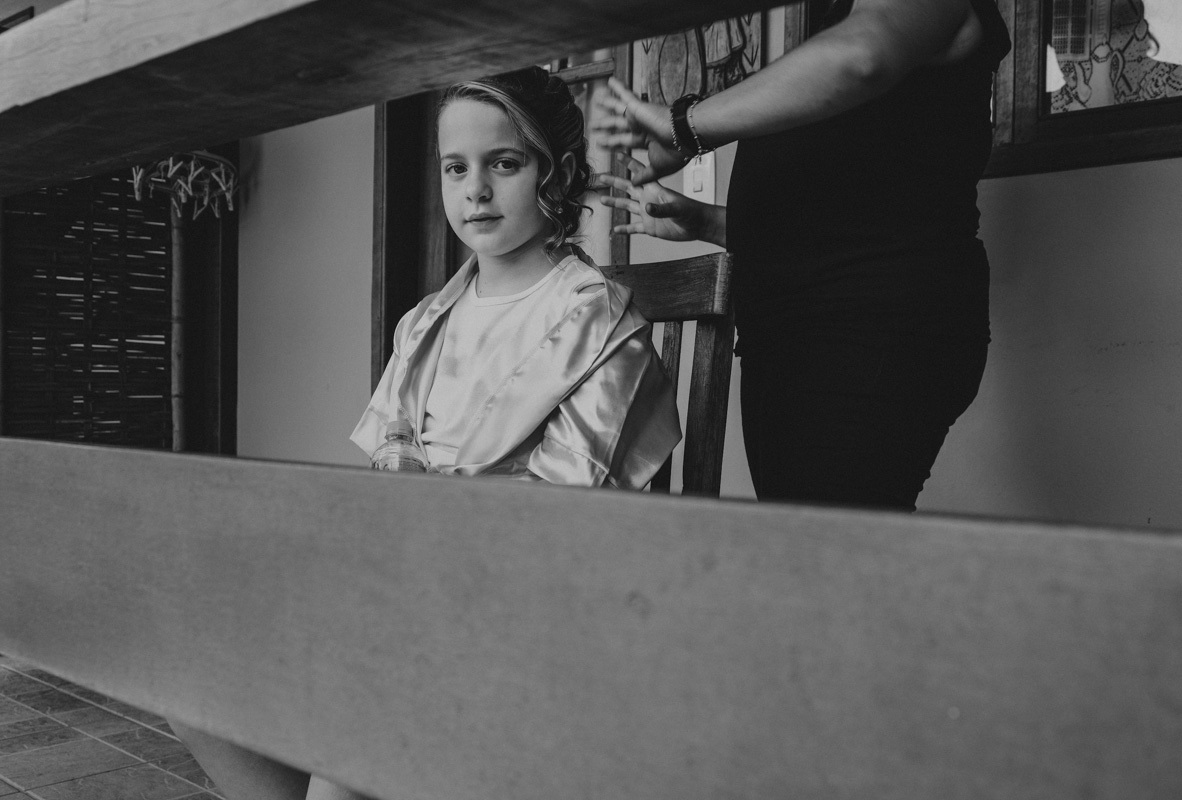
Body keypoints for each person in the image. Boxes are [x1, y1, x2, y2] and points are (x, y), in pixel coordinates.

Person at [171, 66, 680, 800]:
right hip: (405, 583)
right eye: (455, 168)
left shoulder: (600, 325)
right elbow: (388, 478)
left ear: (560, 173)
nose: (476, 190)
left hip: (522, 611)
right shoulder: (422, 324)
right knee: (189, 676)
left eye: (505, 163)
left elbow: (562, 528)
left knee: (353, 736)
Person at [593, 0, 1011, 511]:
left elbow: (860, 57)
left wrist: (684, 125)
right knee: (803, 537)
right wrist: (708, 222)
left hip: (869, 324)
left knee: (826, 544)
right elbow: (860, 200)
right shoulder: (843, 20)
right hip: (800, 326)